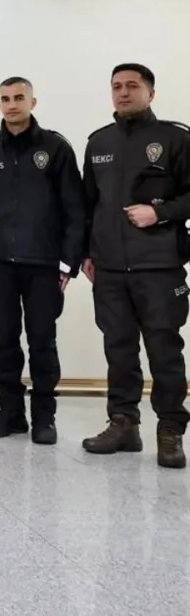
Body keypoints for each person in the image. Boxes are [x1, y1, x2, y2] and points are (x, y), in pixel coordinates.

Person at [0, 77, 84, 445]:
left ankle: (45, 418)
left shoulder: (56, 148)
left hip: (44, 264)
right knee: (4, 341)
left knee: (42, 341)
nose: (12, 104)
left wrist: (68, 262)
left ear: (32, 102)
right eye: (5, 99)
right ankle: (10, 413)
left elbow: (74, 210)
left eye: (18, 98)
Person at [81, 63, 190, 469]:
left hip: (159, 266)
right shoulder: (99, 142)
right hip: (109, 269)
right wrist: (86, 253)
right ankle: (124, 423)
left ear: (151, 93)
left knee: (164, 350)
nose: (123, 92)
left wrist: (160, 213)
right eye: (116, 86)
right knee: (119, 349)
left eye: (132, 86)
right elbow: (87, 204)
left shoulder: (176, 139)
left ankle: (170, 429)